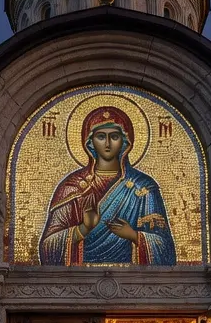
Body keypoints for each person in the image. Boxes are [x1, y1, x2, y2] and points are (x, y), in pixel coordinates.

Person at [38, 106, 176, 265]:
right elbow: (47, 248)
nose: (108, 143)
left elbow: (166, 250)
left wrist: (133, 236)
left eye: (115, 136)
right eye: (101, 137)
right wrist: (83, 229)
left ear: (125, 141)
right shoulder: (73, 187)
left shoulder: (143, 187)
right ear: (90, 142)